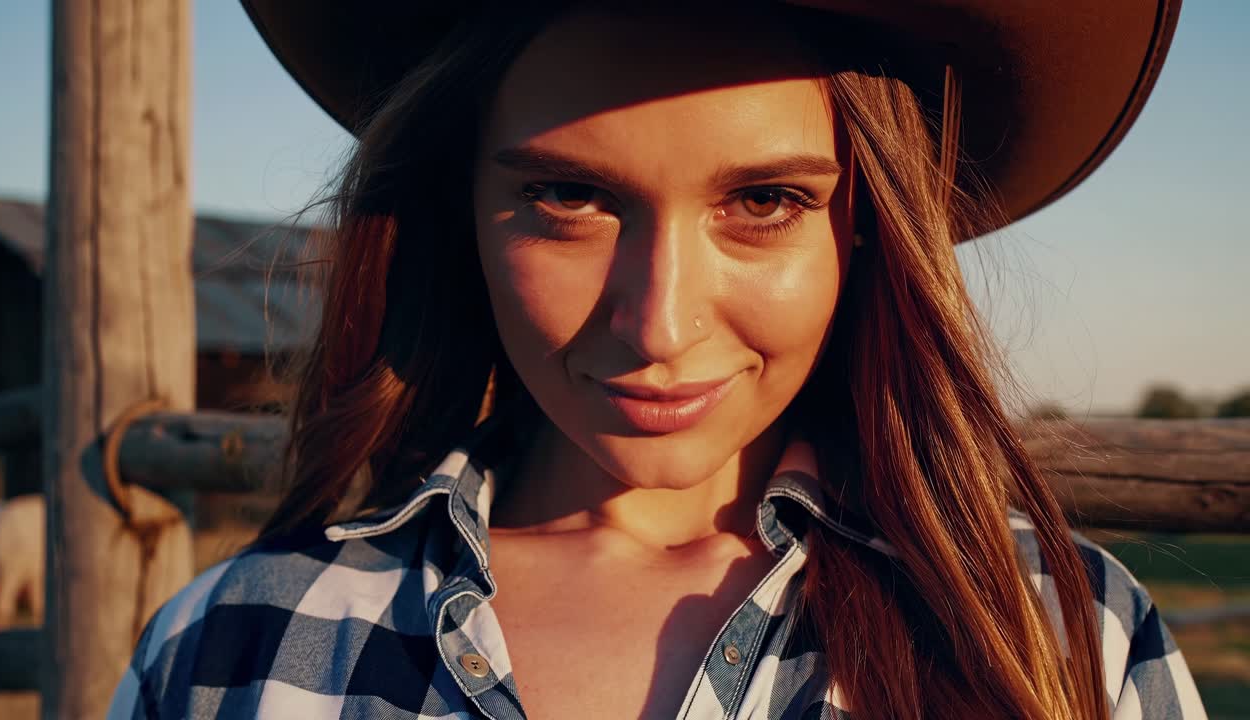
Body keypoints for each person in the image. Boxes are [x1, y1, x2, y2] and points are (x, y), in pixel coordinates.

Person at [110, 1, 1207, 718]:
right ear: (463, 212)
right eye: (568, 197)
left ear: (866, 226)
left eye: (764, 201)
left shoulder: (1054, 641)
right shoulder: (234, 648)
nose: (657, 324)